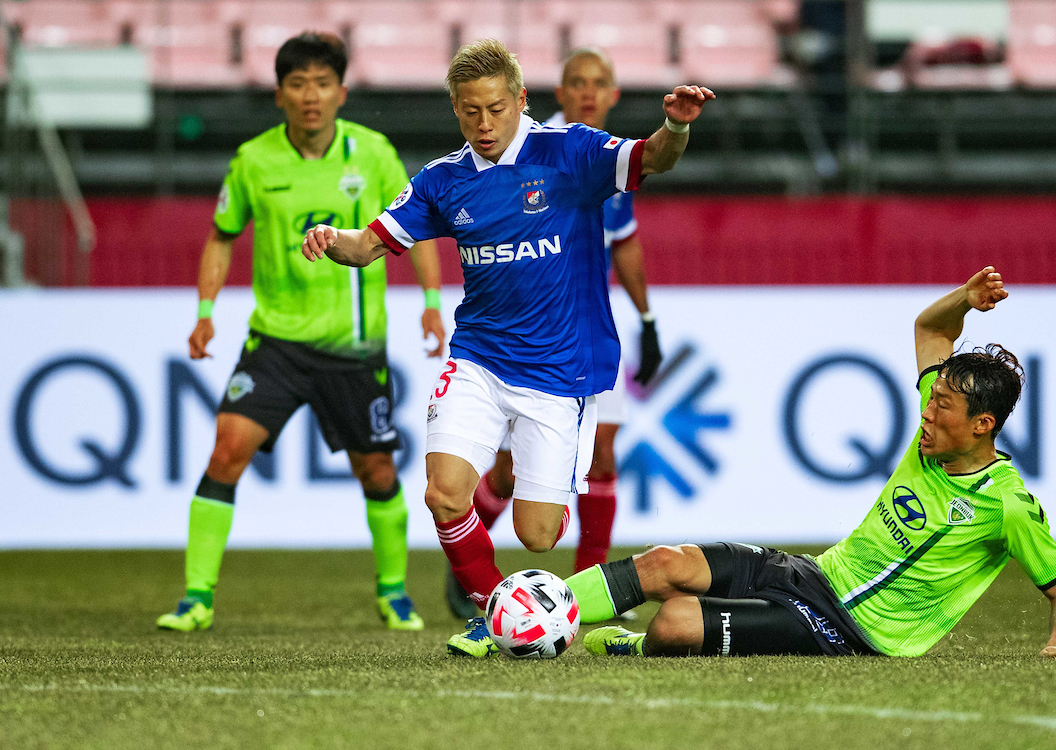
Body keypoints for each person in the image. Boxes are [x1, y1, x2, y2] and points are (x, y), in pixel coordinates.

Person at [300, 38, 714, 656]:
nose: (484, 124)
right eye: (470, 112)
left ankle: (552, 607)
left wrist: (674, 125)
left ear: (520, 100)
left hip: (559, 372)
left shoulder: (570, 150)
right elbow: (366, 247)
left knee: (539, 535)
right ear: (456, 110)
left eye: (496, 108)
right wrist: (331, 236)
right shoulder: (443, 181)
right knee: (443, 493)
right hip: (479, 360)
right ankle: (495, 617)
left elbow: (656, 156)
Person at [574, 267, 1056, 660]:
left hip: (850, 630)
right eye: (930, 400)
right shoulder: (936, 425)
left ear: (982, 425)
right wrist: (966, 298)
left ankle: (634, 646)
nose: (927, 413)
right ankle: (543, 610)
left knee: (674, 623)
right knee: (667, 562)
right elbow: (930, 329)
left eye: (943, 407)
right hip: (815, 573)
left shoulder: (1006, 504)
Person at [156, 33, 445, 633]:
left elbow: (416, 222)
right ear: (279, 94)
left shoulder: (373, 154)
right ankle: (196, 596)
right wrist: (205, 310)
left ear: (341, 92)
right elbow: (221, 233)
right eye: (297, 84)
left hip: (352, 347)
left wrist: (432, 302)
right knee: (226, 450)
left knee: (379, 473)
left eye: (321, 84)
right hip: (276, 343)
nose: (310, 96)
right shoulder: (253, 161)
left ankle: (393, 591)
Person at [444, 47, 663, 620]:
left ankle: (589, 595)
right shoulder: (544, 149)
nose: (588, 92)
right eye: (576, 82)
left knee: (604, 457)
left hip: (584, 335)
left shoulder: (600, 158)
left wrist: (647, 320)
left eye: (600, 82)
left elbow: (626, 242)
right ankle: (474, 551)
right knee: (515, 470)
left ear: (614, 94)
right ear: (553, 94)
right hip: (513, 344)